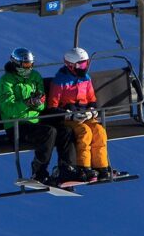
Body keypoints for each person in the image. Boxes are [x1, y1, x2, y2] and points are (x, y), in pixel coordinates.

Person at [48, 47, 112, 182]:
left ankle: (102, 167)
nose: (84, 67)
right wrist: (69, 115)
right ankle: (84, 167)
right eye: (81, 64)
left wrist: (91, 111)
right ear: (71, 65)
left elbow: (92, 99)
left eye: (86, 63)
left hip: (85, 115)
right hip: (69, 118)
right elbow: (52, 107)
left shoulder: (86, 79)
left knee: (99, 131)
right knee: (85, 132)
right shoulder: (60, 81)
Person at [0, 47, 57, 185]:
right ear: (16, 64)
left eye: (30, 64)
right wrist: (27, 103)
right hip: (16, 126)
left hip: (34, 122)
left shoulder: (35, 76)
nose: (28, 68)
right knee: (49, 133)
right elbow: (8, 109)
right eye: (25, 65)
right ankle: (39, 171)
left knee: (66, 131)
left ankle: (67, 169)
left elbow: (42, 104)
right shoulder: (6, 81)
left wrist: (37, 102)